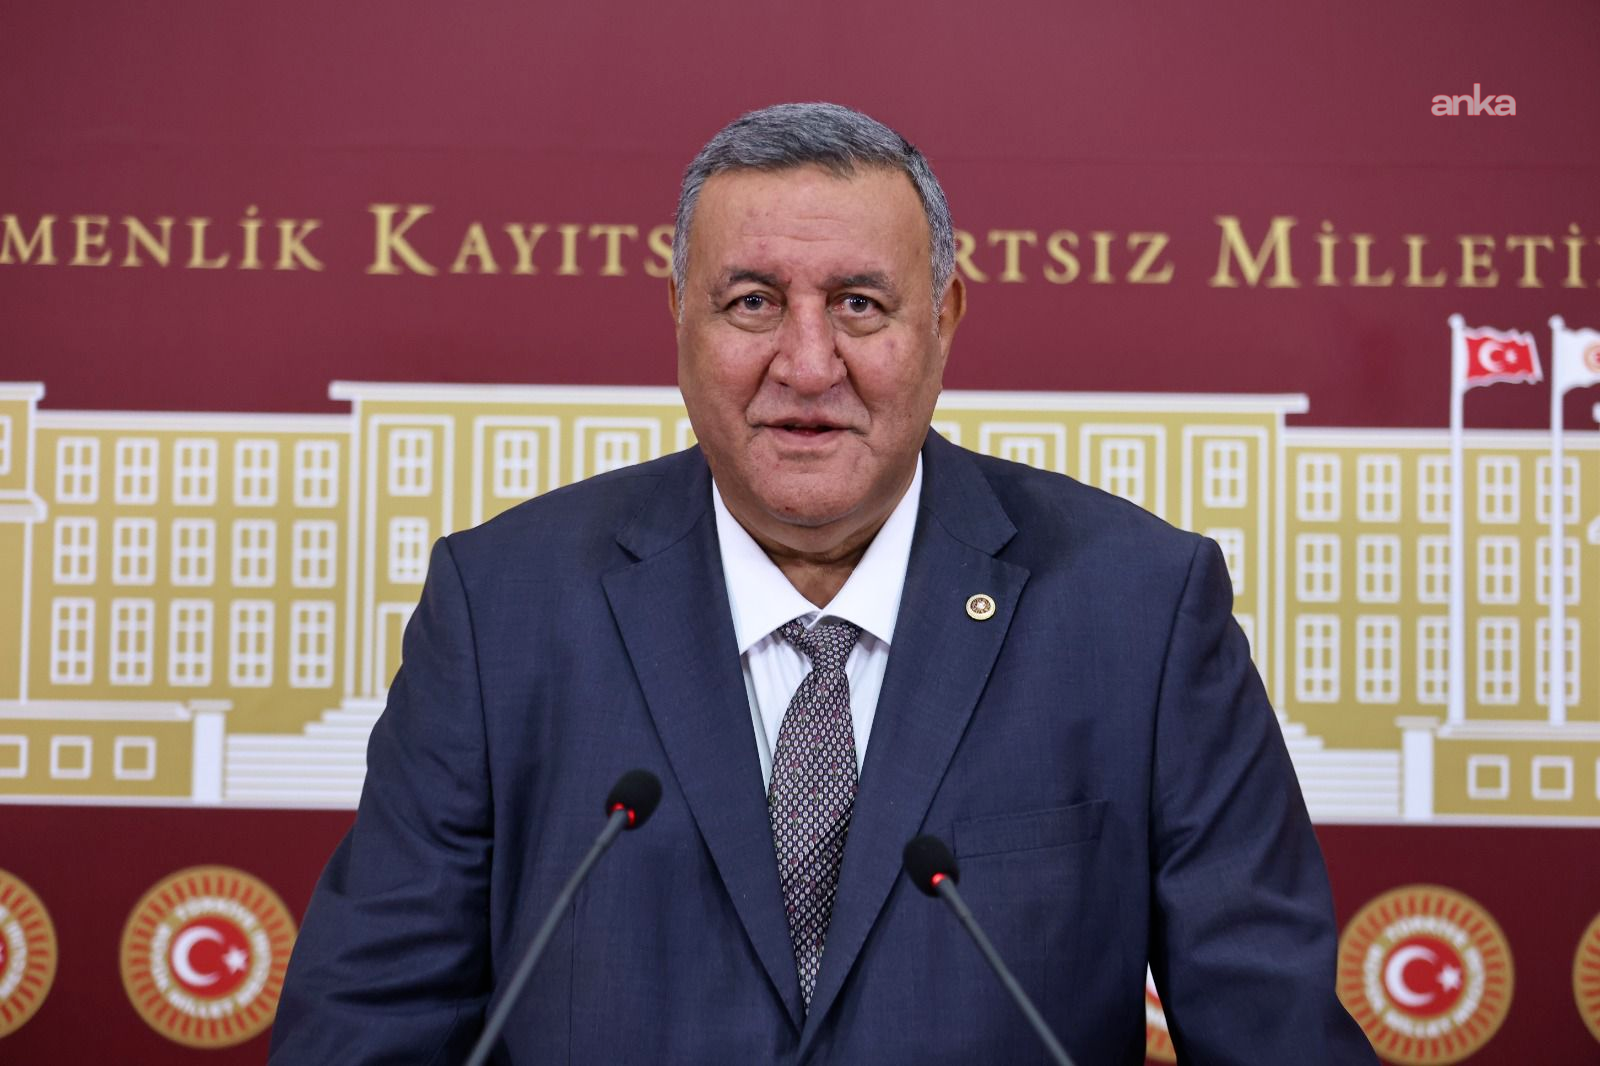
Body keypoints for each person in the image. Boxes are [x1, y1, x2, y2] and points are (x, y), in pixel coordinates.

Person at [269, 102, 1375, 1064]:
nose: (806, 365)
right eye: (753, 302)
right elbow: (368, 1024)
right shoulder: (502, 607)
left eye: (859, 304)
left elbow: (1272, 1029)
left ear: (943, 319)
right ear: (679, 319)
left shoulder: (1138, 609)